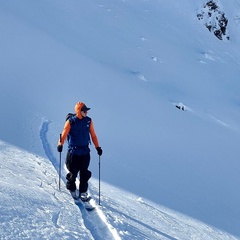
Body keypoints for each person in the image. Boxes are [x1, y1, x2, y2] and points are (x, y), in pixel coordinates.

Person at [57, 101, 102, 201]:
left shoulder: (88, 121)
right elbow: (63, 133)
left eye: (87, 111)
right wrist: (60, 144)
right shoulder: (71, 121)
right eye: (84, 111)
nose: (86, 112)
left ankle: (83, 191)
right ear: (79, 111)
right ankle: (71, 188)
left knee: (84, 173)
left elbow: (93, 135)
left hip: (85, 152)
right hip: (73, 153)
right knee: (73, 173)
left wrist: (98, 147)